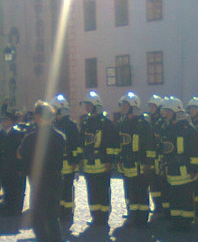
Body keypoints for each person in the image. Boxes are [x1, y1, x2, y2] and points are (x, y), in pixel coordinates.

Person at [17, 101, 66, 242]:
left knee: (38, 219)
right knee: (52, 217)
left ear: (38, 117)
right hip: (56, 180)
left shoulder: (31, 137)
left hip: (39, 182)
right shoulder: (59, 136)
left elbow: (20, 155)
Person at [159, 97, 198, 231]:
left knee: (185, 197)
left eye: (167, 111)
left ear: (175, 112)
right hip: (171, 169)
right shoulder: (167, 128)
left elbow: (195, 150)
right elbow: (165, 148)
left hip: (185, 170)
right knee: (174, 197)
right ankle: (177, 222)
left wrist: (194, 168)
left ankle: (187, 223)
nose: (165, 114)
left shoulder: (188, 129)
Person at [79, 91, 118, 228]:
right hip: (89, 164)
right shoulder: (85, 122)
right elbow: (82, 142)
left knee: (103, 190)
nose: (87, 108)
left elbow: (111, 143)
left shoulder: (106, 123)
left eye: (89, 105)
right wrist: (81, 158)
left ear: (96, 105)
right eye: (86, 105)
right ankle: (95, 216)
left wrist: (109, 161)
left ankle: (104, 217)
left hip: (102, 164)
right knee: (92, 190)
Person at [117, 92, 153, 228]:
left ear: (133, 106)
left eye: (125, 105)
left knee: (141, 192)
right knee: (130, 190)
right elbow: (121, 143)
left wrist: (147, 163)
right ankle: (133, 215)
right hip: (127, 164)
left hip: (140, 164)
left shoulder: (143, 124)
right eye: (122, 105)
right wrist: (119, 159)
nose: (123, 108)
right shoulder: (123, 123)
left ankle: (142, 218)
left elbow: (149, 145)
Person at [53, 94, 81, 231]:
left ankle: (67, 215)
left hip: (68, 164)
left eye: (55, 110)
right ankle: (60, 213)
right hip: (57, 164)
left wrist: (75, 162)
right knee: (58, 190)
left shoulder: (70, 125)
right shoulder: (55, 124)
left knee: (67, 191)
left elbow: (76, 144)